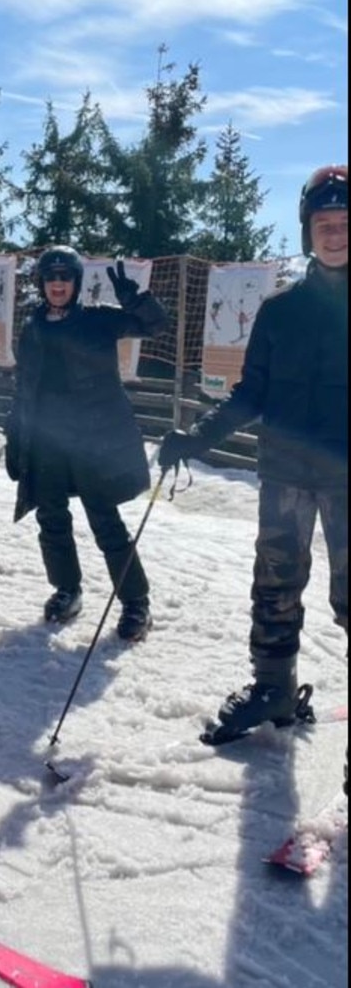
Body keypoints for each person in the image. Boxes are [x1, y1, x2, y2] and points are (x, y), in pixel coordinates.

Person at [159, 165, 348, 743]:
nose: (335, 234)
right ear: (306, 230)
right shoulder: (279, 310)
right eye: (324, 223)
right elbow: (251, 393)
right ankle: (274, 690)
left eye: (345, 223)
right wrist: (196, 438)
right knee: (275, 584)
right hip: (285, 473)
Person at [5, 245, 169, 634]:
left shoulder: (99, 320)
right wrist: (15, 434)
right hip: (46, 440)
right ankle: (67, 589)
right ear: (41, 284)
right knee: (51, 518)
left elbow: (154, 326)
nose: (58, 284)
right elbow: (23, 386)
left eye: (65, 277)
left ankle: (135, 604)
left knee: (105, 521)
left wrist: (136, 301)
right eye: (51, 278)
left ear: (76, 283)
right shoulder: (32, 328)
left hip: (92, 441)